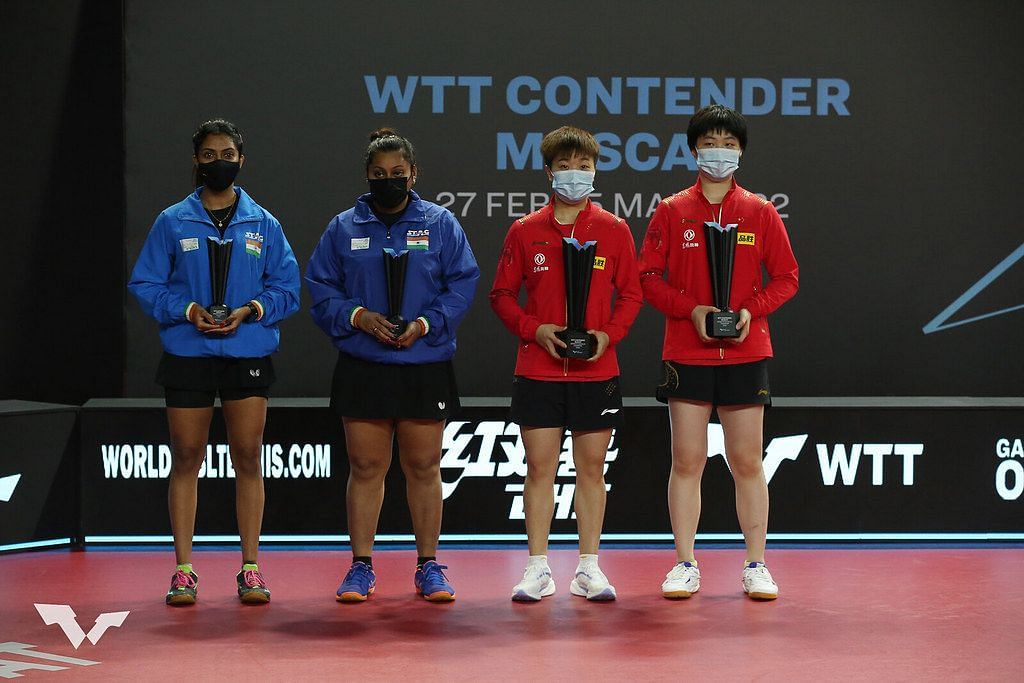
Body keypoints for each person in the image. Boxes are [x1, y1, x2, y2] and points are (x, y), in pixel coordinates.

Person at [128, 118, 301, 606]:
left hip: (246, 352)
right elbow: (145, 284)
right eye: (208, 154)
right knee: (186, 458)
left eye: (227, 153)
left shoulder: (264, 223)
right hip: (188, 352)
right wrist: (186, 311)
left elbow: (288, 288)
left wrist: (251, 311)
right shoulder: (172, 221)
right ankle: (183, 570)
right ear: (196, 161)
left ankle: (250, 568)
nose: (218, 161)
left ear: (241, 161)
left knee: (249, 457)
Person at [306, 128, 479, 603]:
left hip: (424, 361)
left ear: (413, 174)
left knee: (423, 464)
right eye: (380, 174)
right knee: (366, 465)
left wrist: (426, 323)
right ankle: (361, 567)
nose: (389, 181)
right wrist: (358, 317)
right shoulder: (344, 227)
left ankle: (429, 567)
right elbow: (321, 288)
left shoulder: (441, 224)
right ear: (367, 176)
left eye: (398, 174)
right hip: (366, 362)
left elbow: (462, 283)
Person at [637, 104, 799, 601]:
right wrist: (693, 311)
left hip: (747, 353)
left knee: (747, 461)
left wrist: (751, 310)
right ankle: (685, 562)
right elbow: (647, 278)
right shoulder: (671, 210)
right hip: (688, 352)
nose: (720, 152)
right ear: (693, 149)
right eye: (711, 143)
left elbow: (787, 277)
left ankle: (756, 564)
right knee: (686, 461)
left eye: (730, 144)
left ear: (741, 152)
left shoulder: (759, 211)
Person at [490, 125, 642, 602]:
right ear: (548, 172)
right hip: (538, 369)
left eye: (584, 167)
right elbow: (501, 295)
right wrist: (535, 330)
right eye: (565, 167)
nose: (575, 175)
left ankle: (589, 568)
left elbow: (632, 294)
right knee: (539, 468)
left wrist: (607, 336)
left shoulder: (615, 231)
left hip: (598, 371)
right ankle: (537, 568)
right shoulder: (525, 230)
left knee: (591, 468)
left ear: (595, 172)